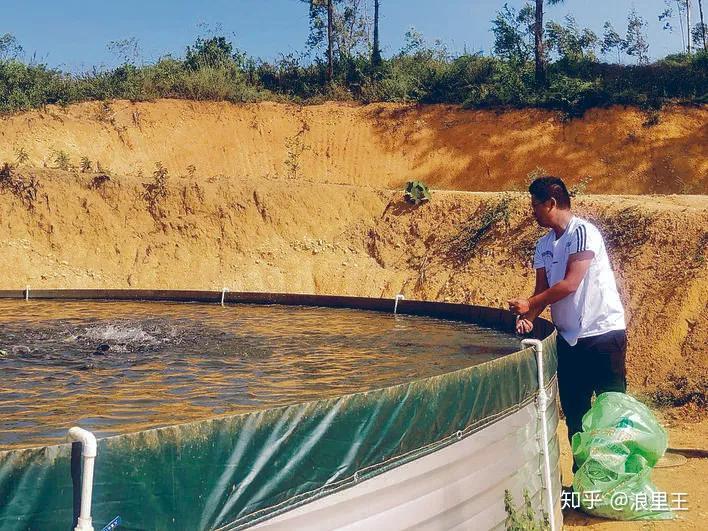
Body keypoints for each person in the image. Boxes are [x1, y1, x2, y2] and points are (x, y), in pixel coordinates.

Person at [508, 176, 627, 472]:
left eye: (535, 205)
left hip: (602, 335)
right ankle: (585, 478)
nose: (532, 211)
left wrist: (530, 305)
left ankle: (618, 477)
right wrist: (529, 317)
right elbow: (542, 291)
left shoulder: (583, 233)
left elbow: (571, 283)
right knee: (575, 412)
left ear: (550, 203)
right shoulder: (543, 245)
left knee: (611, 411)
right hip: (569, 340)